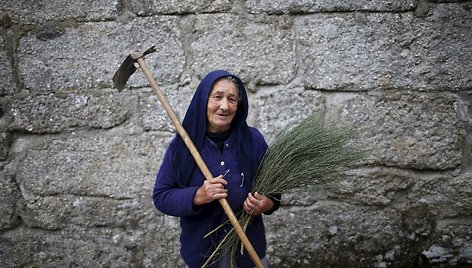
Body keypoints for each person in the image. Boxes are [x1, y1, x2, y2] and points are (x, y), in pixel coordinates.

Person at [152, 70, 280, 268]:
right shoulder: (183, 147)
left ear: (239, 106)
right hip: (203, 256)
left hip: (248, 252)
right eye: (217, 97)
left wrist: (266, 203)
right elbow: (161, 197)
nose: (224, 106)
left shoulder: (253, 140)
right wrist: (197, 195)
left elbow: (275, 191)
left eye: (232, 99)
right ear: (203, 101)